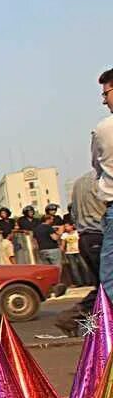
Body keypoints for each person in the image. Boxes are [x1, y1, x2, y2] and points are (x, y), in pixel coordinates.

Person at [55, 173, 106, 333]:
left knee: (103, 285)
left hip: (85, 237)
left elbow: (73, 214)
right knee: (107, 286)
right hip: (101, 234)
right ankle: (74, 316)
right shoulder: (103, 180)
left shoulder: (80, 182)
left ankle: (78, 320)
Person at [94, 68, 113, 303]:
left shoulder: (104, 129)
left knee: (109, 279)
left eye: (105, 94)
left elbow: (97, 166)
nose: (104, 100)